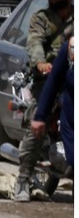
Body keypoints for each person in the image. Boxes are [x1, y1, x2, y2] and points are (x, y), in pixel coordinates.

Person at [14, 0, 73, 201]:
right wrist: (40, 62)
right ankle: (23, 178)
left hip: (70, 81)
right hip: (47, 80)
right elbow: (35, 42)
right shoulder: (41, 18)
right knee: (36, 124)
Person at [31, 36, 72, 177]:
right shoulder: (70, 48)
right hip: (72, 124)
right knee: (32, 137)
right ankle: (24, 178)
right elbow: (53, 81)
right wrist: (40, 116)